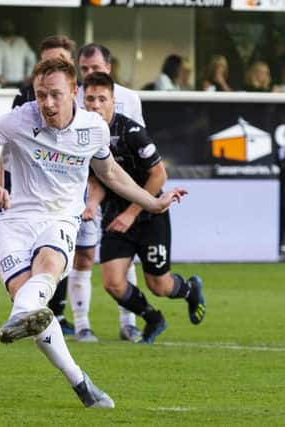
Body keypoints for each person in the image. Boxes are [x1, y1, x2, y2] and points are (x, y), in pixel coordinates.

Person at [0, 56, 187, 408]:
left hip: (59, 220)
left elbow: (111, 174)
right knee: (31, 302)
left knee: (45, 272)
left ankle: (21, 317)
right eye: (41, 95)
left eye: (55, 95)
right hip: (11, 220)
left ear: (74, 92)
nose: (47, 103)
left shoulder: (94, 129)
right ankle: (79, 381)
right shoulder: (19, 119)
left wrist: (152, 204)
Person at [82, 71, 206, 344]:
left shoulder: (131, 132)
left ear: (113, 101)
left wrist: (131, 212)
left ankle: (189, 289)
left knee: (159, 285)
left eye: (102, 99)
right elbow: (100, 178)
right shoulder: (84, 136)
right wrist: (91, 204)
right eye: (90, 98)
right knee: (112, 283)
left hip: (150, 216)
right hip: (115, 217)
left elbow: (159, 175)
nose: (95, 105)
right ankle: (153, 319)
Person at [72, 43, 146, 342]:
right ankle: (81, 325)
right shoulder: (72, 98)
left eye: (95, 68)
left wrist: (135, 197)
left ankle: (128, 322)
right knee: (84, 255)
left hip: (117, 186)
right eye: (85, 69)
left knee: (124, 257)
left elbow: (139, 146)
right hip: (82, 185)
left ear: (108, 67)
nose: (90, 73)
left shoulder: (129, 99)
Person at [5, 35, 78, 335]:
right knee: (41, 254)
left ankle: (60, 313)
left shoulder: (83, 99)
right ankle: (42, 312)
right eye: (46, 59)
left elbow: (100, 157)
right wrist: (0, 185)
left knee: (69, 253)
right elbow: (7, 146)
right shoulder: (26, 99)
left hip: (69, 190)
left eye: (59, 57)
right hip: (32, 190)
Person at [0, 19, 36, 88]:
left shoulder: (21, 41)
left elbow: (32, 58)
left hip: (20, 82)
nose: (8, 27)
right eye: (5, 25)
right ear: (1, 27)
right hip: (3, 82)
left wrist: (28, 75)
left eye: (10, 25)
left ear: (14, 27)